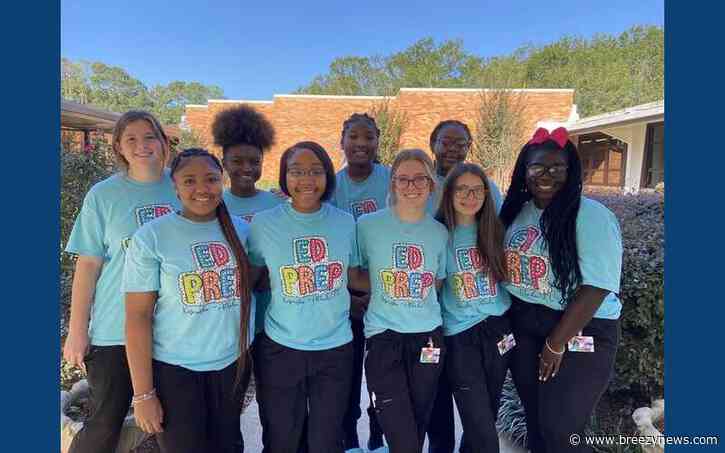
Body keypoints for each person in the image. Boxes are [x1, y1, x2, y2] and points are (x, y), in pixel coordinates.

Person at [499, 127, 623, 453]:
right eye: (538, 166)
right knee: (538, 420)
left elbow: (597, 286)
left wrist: (556, 343)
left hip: (581, 326)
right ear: (524, 170)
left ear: (571, 172)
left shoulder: (591, 215)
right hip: (526, 324)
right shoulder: (516, 212)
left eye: (557, 167)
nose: (547, 174)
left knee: (562, 428)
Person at [123, 148, 255, 452]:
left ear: (222, 181)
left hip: (231, 365)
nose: (201, 189)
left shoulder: (244, 231)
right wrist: (143, 395)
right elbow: (137, 316)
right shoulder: (152, 237)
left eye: (210, 179)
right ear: (175, 185)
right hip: (175, 371)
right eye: (189, 180)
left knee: (229, 446)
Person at [63, 111, 178, 453]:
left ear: (163, 142)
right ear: (118, 147)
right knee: (104, 423)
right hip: (115, 329)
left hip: (175, 331)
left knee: (171, 425)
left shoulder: (183, 186)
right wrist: (77, 330)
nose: (142, 145)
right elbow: (87, 265)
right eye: (131, 139)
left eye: (149, 136)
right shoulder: (104, 195)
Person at [247, 141, 369, 453]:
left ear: (328, 176)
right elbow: (256, 276)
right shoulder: (264, 223)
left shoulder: (345, 222)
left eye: (315, 171)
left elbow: (353, 275)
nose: (306, 179)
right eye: (297, 171)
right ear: (284, 177)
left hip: (335, 349)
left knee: (326, 439)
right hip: (281, 348)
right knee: (281, 438)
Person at [357, 149, 449, 453]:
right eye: (403, 179)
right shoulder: (368, 226)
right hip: (384, 338)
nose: (411, 186)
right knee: (398, 426)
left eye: (419, 178)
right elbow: (354, 273)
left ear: (431, 184)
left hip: (428, 338)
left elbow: (436, 283)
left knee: (418, 420)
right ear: (393, 184)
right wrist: (384, 289)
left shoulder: (439, 232)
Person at [436, 163, 513, 453]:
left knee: (487, 412)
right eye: (462, 189)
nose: (470, 196)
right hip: (459, 335)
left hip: (497, 331)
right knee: (478, 418)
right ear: (450, 193)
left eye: (477, 189)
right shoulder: (438, 234)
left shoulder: (496, 231)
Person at [330, 112, 390, 453]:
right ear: (342, 141)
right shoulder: (332, 186)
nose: (361, 144)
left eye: (368, 137)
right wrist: (347, 297)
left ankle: (379, 428)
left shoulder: (393, 179)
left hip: (387, 291)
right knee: (348, 372)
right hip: (345, 293)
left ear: (377, 141)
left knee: (383, 370)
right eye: (354, 137)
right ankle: (348, 433)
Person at [211, 104, 282, 336]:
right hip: (228, 305)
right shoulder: (214, 204)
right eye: (237, 161)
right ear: (224, 164)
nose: (247, 168)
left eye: (254, 162)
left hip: (270, 305)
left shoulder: (276, 203)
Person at [427, 120, 501, 216]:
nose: (453, 149)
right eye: (446, 143)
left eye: (460, 144)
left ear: (468, 147)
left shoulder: (486, 187)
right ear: (432, 144)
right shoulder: (419, 186)